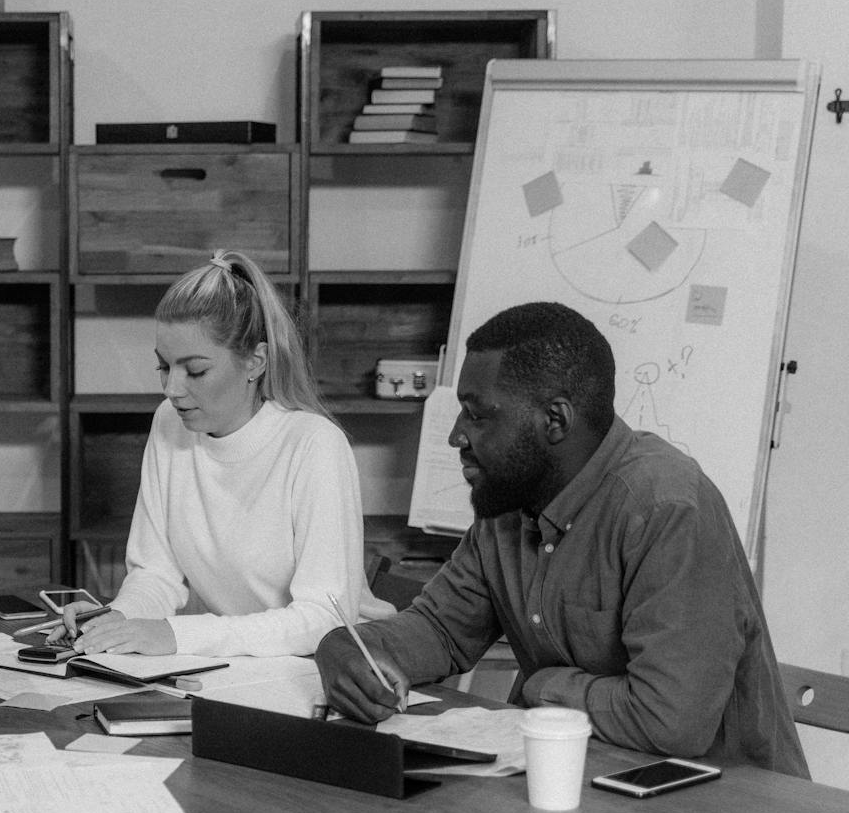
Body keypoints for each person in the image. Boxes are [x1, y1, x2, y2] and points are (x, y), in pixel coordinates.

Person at [315, 301, 808, 777]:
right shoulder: (509, 503)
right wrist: (347, 649)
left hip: (722, 809)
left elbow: (669, 723)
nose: (456, 436)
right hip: (591, 780)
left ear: (555, 420)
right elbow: (442, 630)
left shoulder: (666, 508)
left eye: (478, 414)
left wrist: (545, 686)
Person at [56, 249, 390, 658]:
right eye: (164, 367)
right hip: (249, 669)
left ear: (256, 361)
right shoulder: (169, 422)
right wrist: (117, 619)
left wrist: (178, 636)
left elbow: (324, 619)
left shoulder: (314, 445)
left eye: (195, 371)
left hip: (345, 666)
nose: (172, 389)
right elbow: (156, 574)